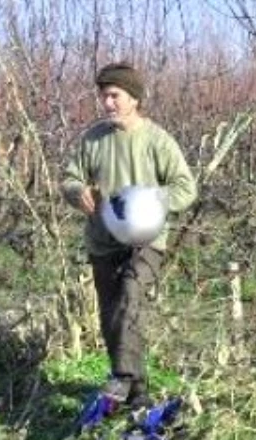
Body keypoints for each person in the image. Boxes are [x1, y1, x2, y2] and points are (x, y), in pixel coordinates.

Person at [61, 62, 198, 408]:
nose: (107, 103)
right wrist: (77, 193)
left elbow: (186, 188)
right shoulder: (93, 139)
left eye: (114, 96)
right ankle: (137, 395)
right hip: (103, 240)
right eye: (103, 96)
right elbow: (69, 178)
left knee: (130, 298)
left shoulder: (157, 140)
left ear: (134, 98)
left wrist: (153, 201)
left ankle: (122, 376)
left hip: (146, 240)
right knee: (111, 316)